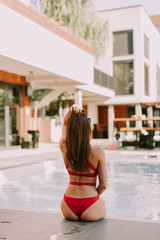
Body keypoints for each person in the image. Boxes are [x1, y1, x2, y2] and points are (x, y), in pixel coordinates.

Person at [59, 104, 107, 221]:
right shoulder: (97, 151)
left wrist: (70, 112)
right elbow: (103, 185)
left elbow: (64, 131)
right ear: (87, 128)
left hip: (68, 205)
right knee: (103, 202)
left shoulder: (65, 149)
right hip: (91, 204)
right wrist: (93, 197)